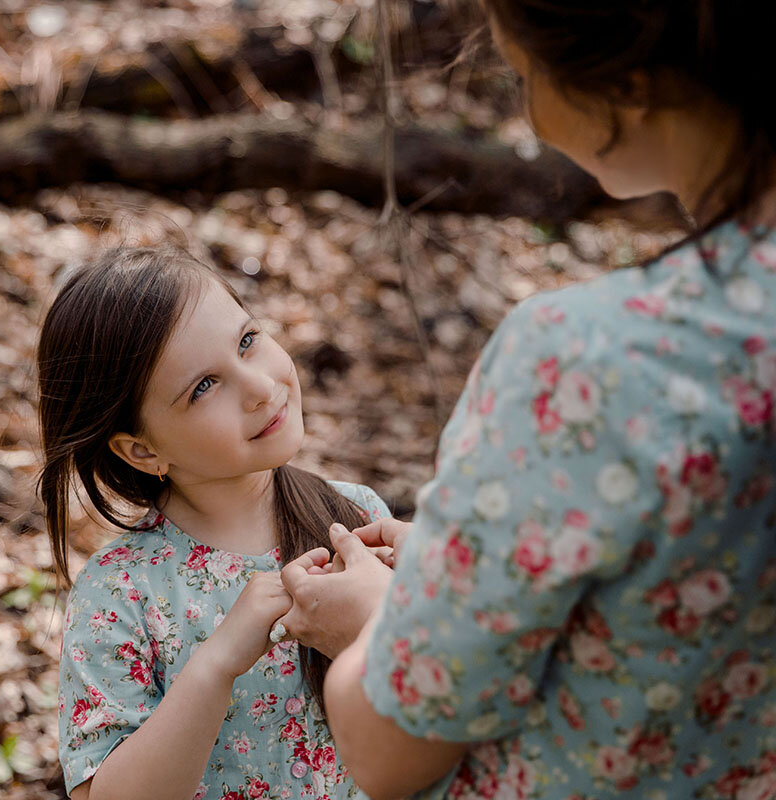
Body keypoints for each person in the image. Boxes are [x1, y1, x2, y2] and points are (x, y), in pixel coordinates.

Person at [276, 2, 776, 798]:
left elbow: (388, 749)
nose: (528, 107)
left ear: (631, 83)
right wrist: (471, 560)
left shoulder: (589, 361)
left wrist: (386, 617)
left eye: (523, 72)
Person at [38, 247, 393, 800]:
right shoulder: (121, 592)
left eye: (248, 341)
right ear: (142, 449)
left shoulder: (357, 521)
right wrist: (216, 665)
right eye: (204, 386)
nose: (256, 387)